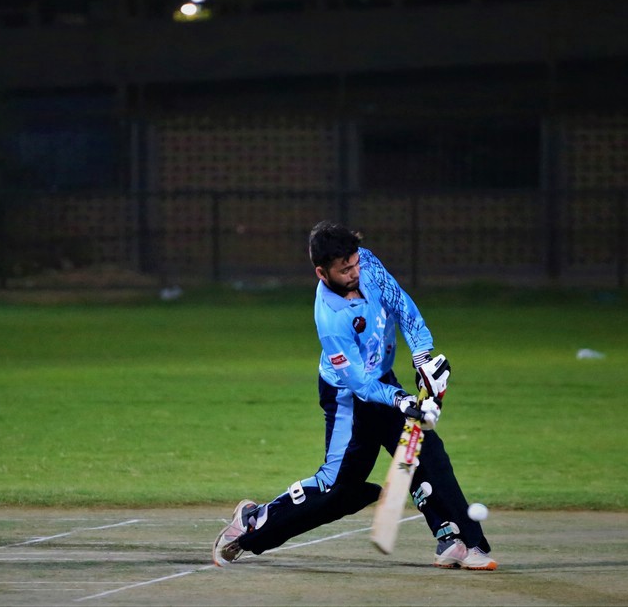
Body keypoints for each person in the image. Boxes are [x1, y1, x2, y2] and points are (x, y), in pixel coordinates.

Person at [212, 221, 496, 570]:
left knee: (425, 450)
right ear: (322, 272)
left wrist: (423, 358)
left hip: (383, 381)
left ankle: (457, 540)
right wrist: (402, 400)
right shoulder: (330, 318)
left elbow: (401, 304)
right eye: (344, 270)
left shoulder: (366, 262)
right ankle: (254, 523)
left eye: (355, 263)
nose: (355, 272)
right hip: (347, 397)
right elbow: (359, 384)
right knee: (336, 490)